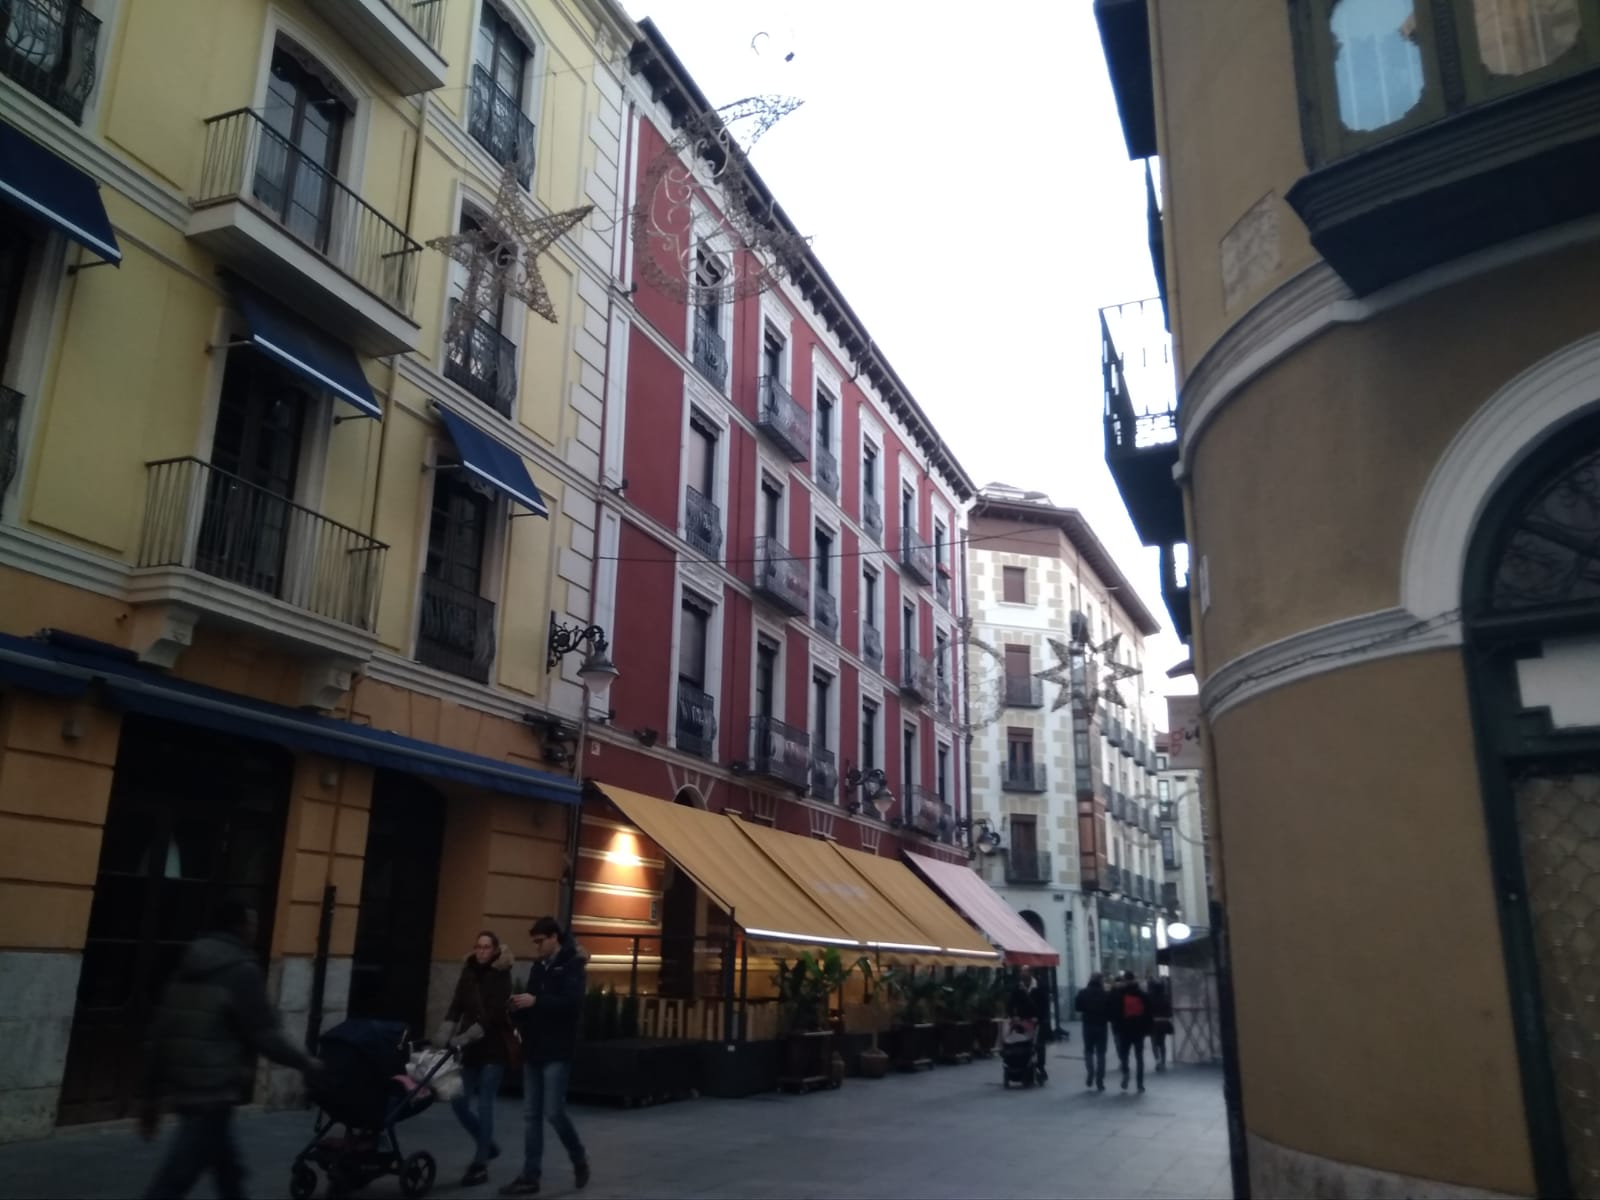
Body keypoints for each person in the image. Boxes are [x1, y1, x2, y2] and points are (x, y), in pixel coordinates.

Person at [140, 901, 321, 1200]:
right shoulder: (240, 970)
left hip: (185, 1085)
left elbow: (161, 1030)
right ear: (238, 928)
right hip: (213, 1087)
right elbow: (264, 1034)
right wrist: (305, 1062)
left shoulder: (188, 962)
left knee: (228, 1171)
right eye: (251, 924)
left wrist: (150, 1096)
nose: (255, 930)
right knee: (175, 1180)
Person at [499, 917, 589, 1197]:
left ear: (554, 938)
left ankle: (578, 1157)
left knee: (553, 1112)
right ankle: (530, 1175)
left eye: (540, 941)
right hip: (534, 1048)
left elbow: (572, 1004)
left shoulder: (572, 965)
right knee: (530, 1115)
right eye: (535, 942)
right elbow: (535, 1003)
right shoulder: (539, 967)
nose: (537, 947)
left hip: (557, 1050)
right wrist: (518, 1008)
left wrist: (536, 1001)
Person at [442, 930, 515, 1187]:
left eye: (486, 947)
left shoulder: (501, 975)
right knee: (458, 1102)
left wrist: (467, 1036)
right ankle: (488, 1144)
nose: (482, 951)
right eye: (478, 946)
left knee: (485, 1105)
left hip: (493, 1049)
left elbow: (495, 1014)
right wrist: (446, 1030)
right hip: (470, 1051)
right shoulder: (469, 971)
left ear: (495, 950)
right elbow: (457, 1003)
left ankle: (480, 1163)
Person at [1110, 969, 1151, 1093]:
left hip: (1124, 1030)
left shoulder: (1120, 994)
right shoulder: (1142, 994)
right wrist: (1147, 1029)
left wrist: (1116, 1028)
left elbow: (1113, 1009)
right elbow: (1148, 1012)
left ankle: (1126, 1073)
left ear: (1124, 980)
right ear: (1134, 979)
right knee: (1139, 1057)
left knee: (1124, 1055)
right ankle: (1140, 1083)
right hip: (1139, 1031)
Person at [1006, 966, 1047, 1083]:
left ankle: (1040, 1067)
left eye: (1024, 972)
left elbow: (1044, 1005)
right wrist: (1013, 1015)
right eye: (1021, 972)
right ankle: (1021, 1064)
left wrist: (1038, 1017)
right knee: (1021, 1042)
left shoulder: (1039, 987)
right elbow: (1010, 1003)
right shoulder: (1018, 987)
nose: (1022, 975)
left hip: (1036, 1021)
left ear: (1031, 973)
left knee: (1038, 1045)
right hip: (1022, 1020)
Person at [1074, 973, 1111, 1091]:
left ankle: (1090, 1071)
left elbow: (1077, 1007)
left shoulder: (1083, 992)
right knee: (1101, 1053)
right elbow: (1110, 1010)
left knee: (1088, 1051)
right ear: (1101, 981)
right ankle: (1100, 1080)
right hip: (1101, 1025)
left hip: (1088, 1024)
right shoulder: (1105, 994)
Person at [1147, 975, 1174, 1072]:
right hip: (1163, 1023)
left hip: (1153, 1023)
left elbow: (1147, 1012)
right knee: (1162, 1043)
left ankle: (1157, 1060)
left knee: (1154, 1043)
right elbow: (1170, 1013)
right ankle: (1163, 1061)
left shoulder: (1150, 999)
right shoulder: (1165, 999)